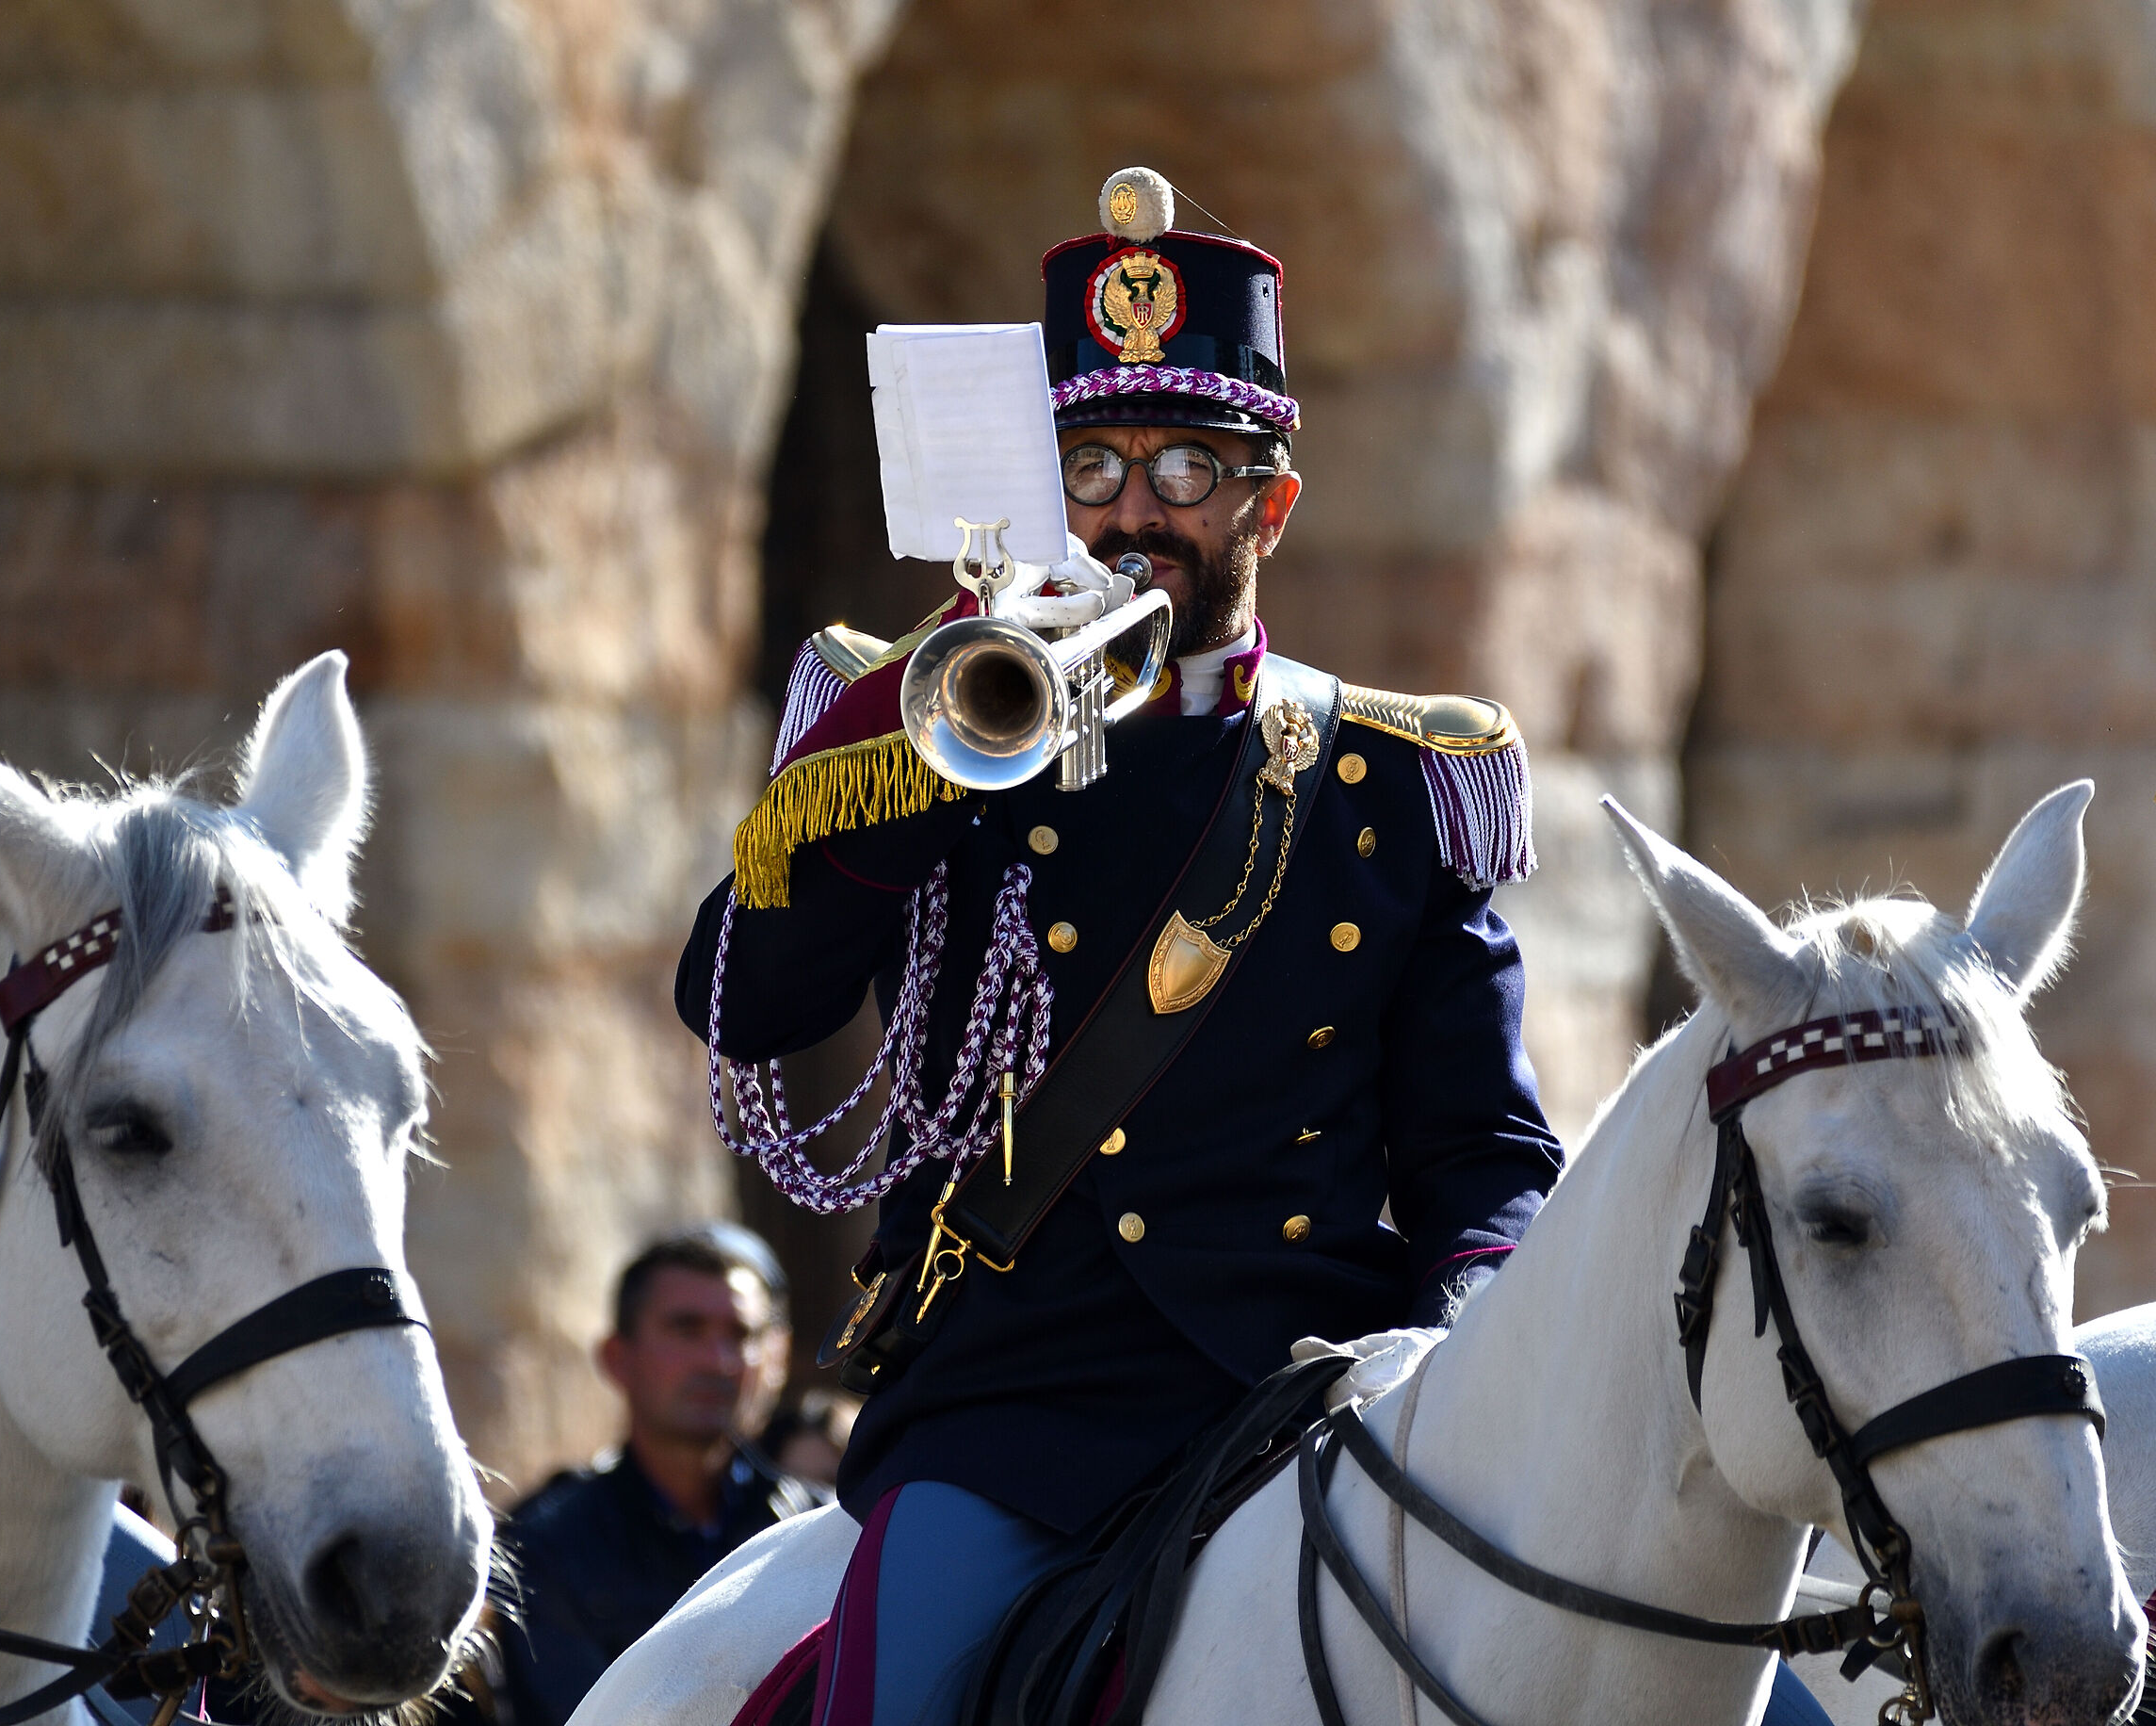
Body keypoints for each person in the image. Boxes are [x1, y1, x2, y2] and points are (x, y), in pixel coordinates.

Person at [676, 166, 1832, 1726]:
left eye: (1185, 469)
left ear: (1267, 506)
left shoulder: (1388, 778)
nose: (1131, 511)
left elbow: (1480, 1145)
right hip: (1015, 1403)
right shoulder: (917, 721)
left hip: (1315, 1381)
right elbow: (744, 1003)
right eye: (1091, 466)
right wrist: (926, 755)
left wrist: (1474, 1326)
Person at [496, 1224, 826, 1726]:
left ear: (775, 1361)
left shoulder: (822, 1526)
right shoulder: (547, 1545)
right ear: (617, 1358)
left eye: (741, 1335)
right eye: (687, 1330)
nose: (719, 1361)